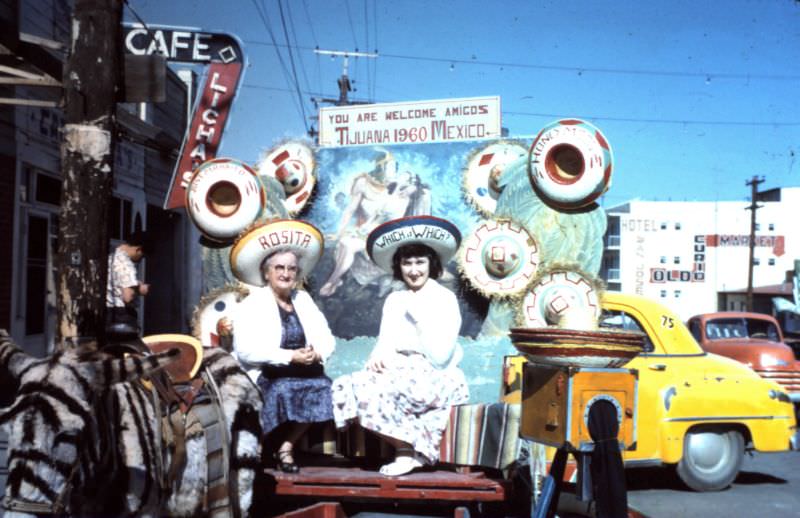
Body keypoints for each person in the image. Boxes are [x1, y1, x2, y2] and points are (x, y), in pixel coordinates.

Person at [332, 216, 469, 476]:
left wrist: (419, 319)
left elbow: (440, 357)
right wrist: (376, 359)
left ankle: (408, 452)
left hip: (435, 374)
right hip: (399, 368)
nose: (414, 270)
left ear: (432, 264)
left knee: (389, 387)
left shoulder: (444, 298)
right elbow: (385, 342)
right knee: (347, 384)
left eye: (420, 262)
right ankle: (410, 449)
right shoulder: (395, 299)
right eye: (407, 263)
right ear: (399, 266)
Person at [230, 219, 335, 473]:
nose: (286, 274)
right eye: (279, 268)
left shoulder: (304, 299)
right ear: (267, 272)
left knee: (325, 387)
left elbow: (327, 337)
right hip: (267, 374)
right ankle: (257, 447)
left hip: (304, 370)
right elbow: (245, 349)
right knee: (284, 389)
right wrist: (290, 357)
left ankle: (286, 447)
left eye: (291, 269)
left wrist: (316, 352)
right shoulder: (253, 304)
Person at [319, 150, 430, 296]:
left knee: (349, 245)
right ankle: (335, 280)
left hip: (387, 237)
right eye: (391, 168)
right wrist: (361, 229)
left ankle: (332, 281)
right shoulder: (388, 193)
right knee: (345, 242)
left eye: (395, 168)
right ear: (381, 168)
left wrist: (413, 187)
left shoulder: (404, 197)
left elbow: (423, 190)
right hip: (372, 231)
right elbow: (374, 216)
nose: (395, 173)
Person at [106, 230, 150, 337]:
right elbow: (127, 296)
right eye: (142, 256)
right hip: (122, 314)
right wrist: (140, 289)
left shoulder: (112, 256)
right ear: (138, 249)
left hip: (108, 310)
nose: (141, 259)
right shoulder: (127, 264)